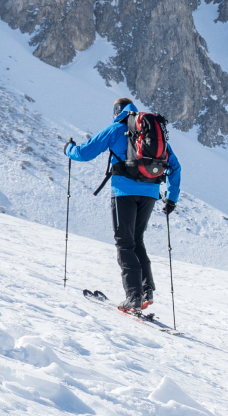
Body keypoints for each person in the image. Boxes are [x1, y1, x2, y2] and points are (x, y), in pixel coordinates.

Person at [67, 98, 181, 315]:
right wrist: (171, 198)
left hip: (124, 193)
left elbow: (84, 153)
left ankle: (133, 296)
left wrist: (69, 149)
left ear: (117, 111)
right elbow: (175, 166)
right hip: (150, 193)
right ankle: (147, 291)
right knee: (137, 240)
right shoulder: (150, 132)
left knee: (124, 242)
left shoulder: (116, 129)